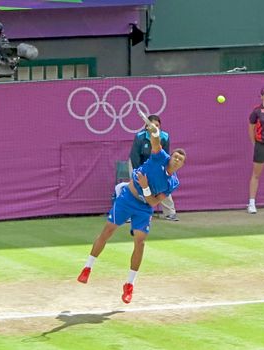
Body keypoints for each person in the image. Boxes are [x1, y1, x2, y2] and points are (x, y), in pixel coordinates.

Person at [77, 118, 186, 304]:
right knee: (108, 231)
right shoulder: (160, 157)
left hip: (144, 208)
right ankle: (87, 268)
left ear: (182, 165)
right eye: (175, 156)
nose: (176, 160)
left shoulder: (173, 183)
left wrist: (145, 187)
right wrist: (155, 132)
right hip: (127, 198)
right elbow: (156, 142)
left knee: (140, 243)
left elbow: (152, 202)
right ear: (171, 156)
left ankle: (129, 285)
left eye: (180, 160)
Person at [129, 114, 179, 221]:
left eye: (157, 125)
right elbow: (135, 156)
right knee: (135, 186)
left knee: (164, 185)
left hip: (156, 163)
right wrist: (139, 174)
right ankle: (129, 213)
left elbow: (165, 156)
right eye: (153, 125)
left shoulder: (164, 137)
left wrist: (162, 174)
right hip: (139, 163)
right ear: (147, 126)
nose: (155, 127)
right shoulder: (140, 137)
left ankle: (170, 213)